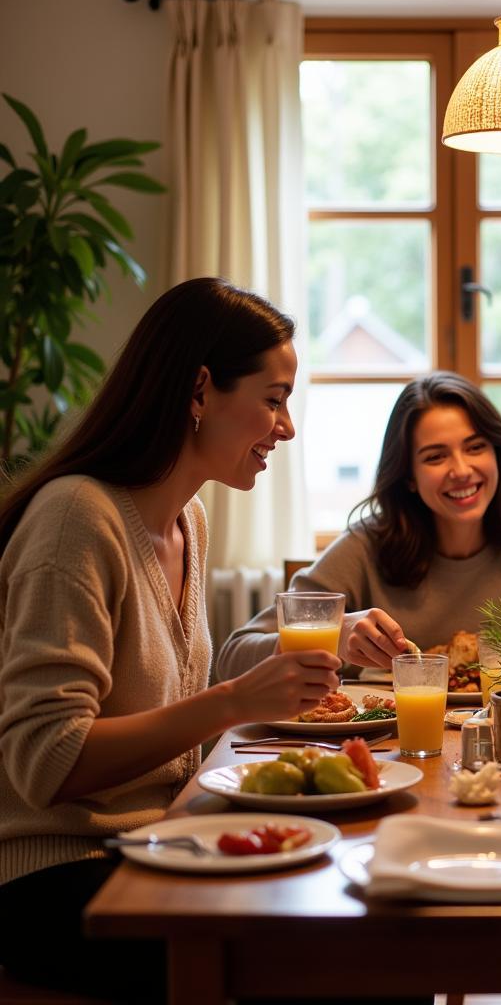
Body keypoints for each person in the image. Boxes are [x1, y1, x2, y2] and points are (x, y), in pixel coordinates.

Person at [0, 277, 341, 1002]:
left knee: (361, 913)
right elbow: (46, 763)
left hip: (159, 845)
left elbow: (174, 750)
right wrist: (230, 702)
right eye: (274, 399)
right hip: (55, 878)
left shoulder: (191, 523)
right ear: (199, 391)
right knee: (344, 957)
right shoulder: (76, 520)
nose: (286, 428)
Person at [217, 371, 501, 681]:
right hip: (388, 751)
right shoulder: (365, 545)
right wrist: (333, 637)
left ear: (498, 454)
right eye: (435, 456)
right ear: (408, 474)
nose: (461, 471)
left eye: (476, 447)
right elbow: (233, 658)